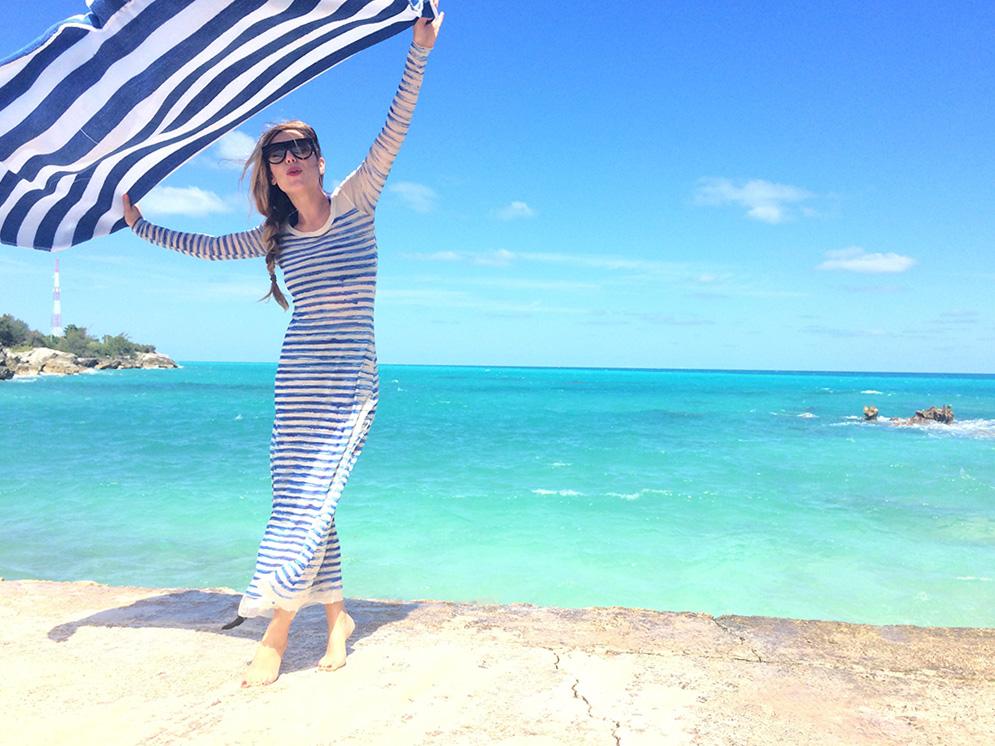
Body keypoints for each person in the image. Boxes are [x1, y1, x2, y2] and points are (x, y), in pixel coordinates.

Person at [123, 11, 443, 687]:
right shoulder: (276, 235)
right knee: (300, 495)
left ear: (320, 161)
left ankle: (272, 622)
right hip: (297, 373)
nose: (290, 158)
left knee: (317, 491)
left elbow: (398, 124)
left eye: (302, 148)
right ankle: (334, 618)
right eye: (278, 152)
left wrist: (416, 52)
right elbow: (208, 247)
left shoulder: (358, 198)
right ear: (269, 171)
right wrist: (141, 226)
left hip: (350, 374)